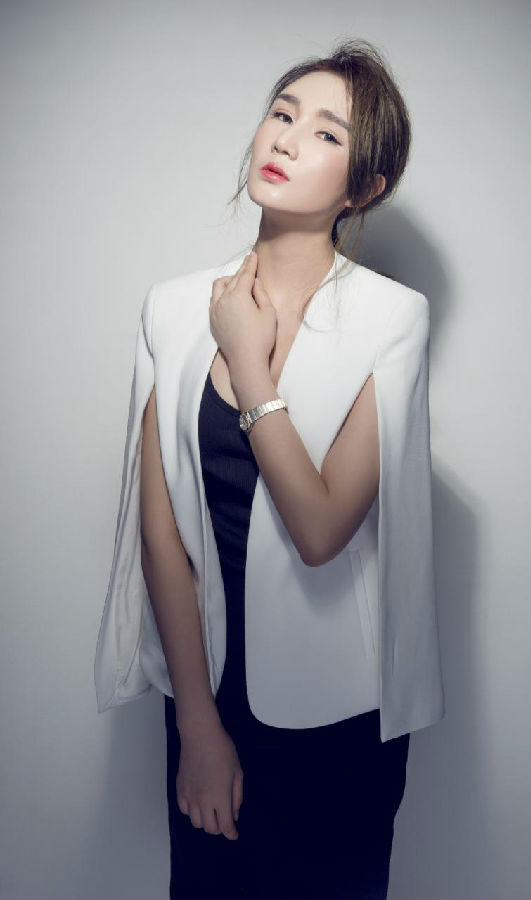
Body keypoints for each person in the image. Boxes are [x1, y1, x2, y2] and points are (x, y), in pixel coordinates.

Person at [94, 38, 445, 900]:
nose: (286, 139)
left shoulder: (391, 319)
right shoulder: (173, 308)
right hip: (206, 691)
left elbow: (320, 529)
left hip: (341, 716)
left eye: (326, 133)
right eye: (281, 114)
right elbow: (161, 534)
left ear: (364, 187)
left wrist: (248, 366)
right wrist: (198, 726)